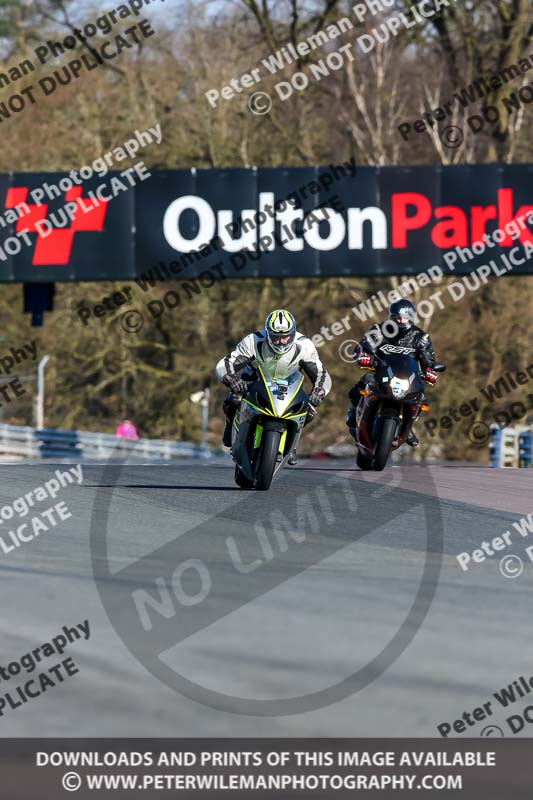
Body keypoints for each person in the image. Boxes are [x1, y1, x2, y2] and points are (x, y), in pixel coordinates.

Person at [215, 309, 331, 465]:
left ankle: (292, 443)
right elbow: (226, 363)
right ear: (268, 333)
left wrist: (319, 391)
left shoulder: (305, 346)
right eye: (276, 337)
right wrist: (232, 379)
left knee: (308, 410)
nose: (281, 341)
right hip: (253, 382)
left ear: (293, 333)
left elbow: (322, 374)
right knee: (233, 399)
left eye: (285, 337)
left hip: (289, 386)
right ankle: (230, 426)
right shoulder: (253, 341)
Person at [347, 299, 439, 447]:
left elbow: (429, 361)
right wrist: (363, 356)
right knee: (359, 388)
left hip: (409, 377)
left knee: (421, 398)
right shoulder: (378, 330)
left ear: (412, 317)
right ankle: (354, 418)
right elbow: (363, 347)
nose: (402, 320)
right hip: (380, 373)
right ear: (391, 317)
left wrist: (430, 372)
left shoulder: (421, 337)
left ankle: (408, 427)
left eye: (405, 317)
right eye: (398, 317)